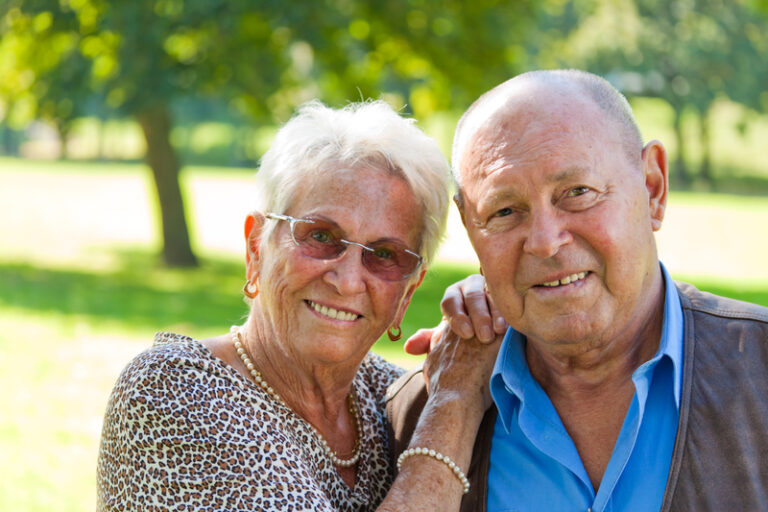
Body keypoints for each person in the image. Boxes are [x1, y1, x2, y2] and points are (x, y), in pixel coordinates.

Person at [387, 69, 768, 511]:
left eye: (578, 192)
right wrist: (450, 406)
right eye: (505, 210)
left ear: (653, 188)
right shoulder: (417, 419)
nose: (546, 241)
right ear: (472, 230)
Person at [97, 100, 499, 511]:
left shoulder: (389, 399)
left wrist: (486, 325)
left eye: (383, 255)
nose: (346, 280)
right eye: (321, 237)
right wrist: (454, 404)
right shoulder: (172, 391)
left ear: (407, 294)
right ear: (256, 247)